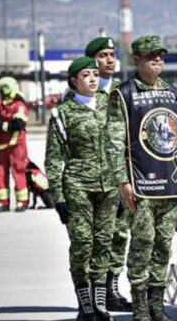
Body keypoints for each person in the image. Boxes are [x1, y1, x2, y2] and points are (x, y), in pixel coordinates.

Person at [105, 35, 177, 321]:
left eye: (160, 55)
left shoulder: (172, 92)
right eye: (150, 55)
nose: (157, 59)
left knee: (164, 246)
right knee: (143, 243)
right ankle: (140, 307)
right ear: (137, 60)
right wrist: (122, 181)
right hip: (142, 185)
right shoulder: (123, 94)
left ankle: (157, 304)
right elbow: (114, 141)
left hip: (171, 183)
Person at [45, 56, 118, 321]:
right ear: (74, 80)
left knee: (103, 242)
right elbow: (54, 158)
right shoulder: (62, 113)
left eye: (94, 74)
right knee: (82, 244)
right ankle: (84, 304)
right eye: (85, 75)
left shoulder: (111, 106)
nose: (92, 79)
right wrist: (58, 197)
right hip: (77, 187)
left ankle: (100, 302)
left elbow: (122, 147)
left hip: (109, 186)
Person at [85, 36, 132, 311]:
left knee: (120, 235)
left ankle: (112, 289)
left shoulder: (123, 92)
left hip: (120, 178)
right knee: (95, 239)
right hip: (92, 180)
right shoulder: (82, 96)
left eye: (113, 55)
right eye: (103, 55)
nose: (110, 60)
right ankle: (94, 294)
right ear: (92, 60)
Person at [0, 77, 30, 211]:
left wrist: (0, 124)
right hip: (1, 144)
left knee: (18, 171)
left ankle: (22, 201)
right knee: (0, 173)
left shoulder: (19, 106)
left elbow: (18, 125)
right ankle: (3, 201)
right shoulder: (1, 106)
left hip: (16, 144)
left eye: (3, 90)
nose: (2, 93)